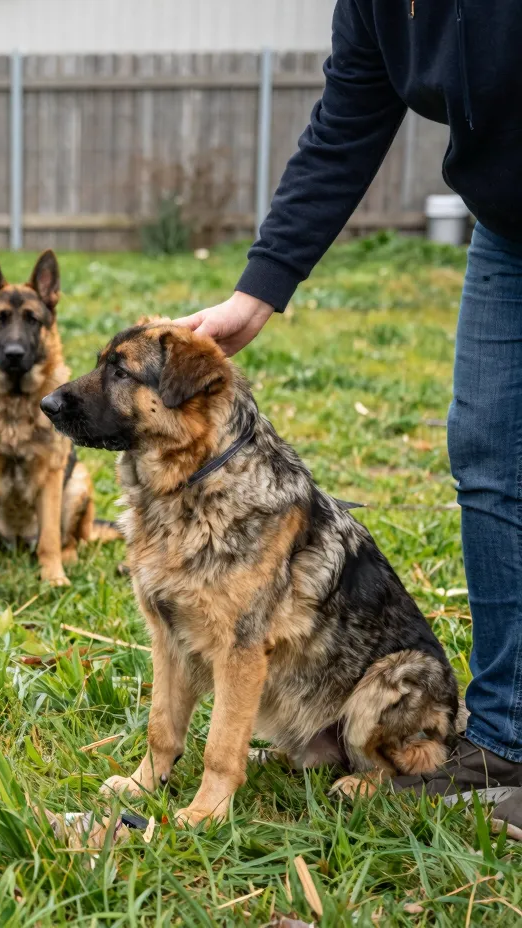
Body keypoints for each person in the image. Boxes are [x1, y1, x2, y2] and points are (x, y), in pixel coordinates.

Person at [175, 1, 522, 830]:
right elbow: (348, 125)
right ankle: (508, 737)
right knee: (489, 455)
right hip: (509, 227)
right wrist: (259, 292)